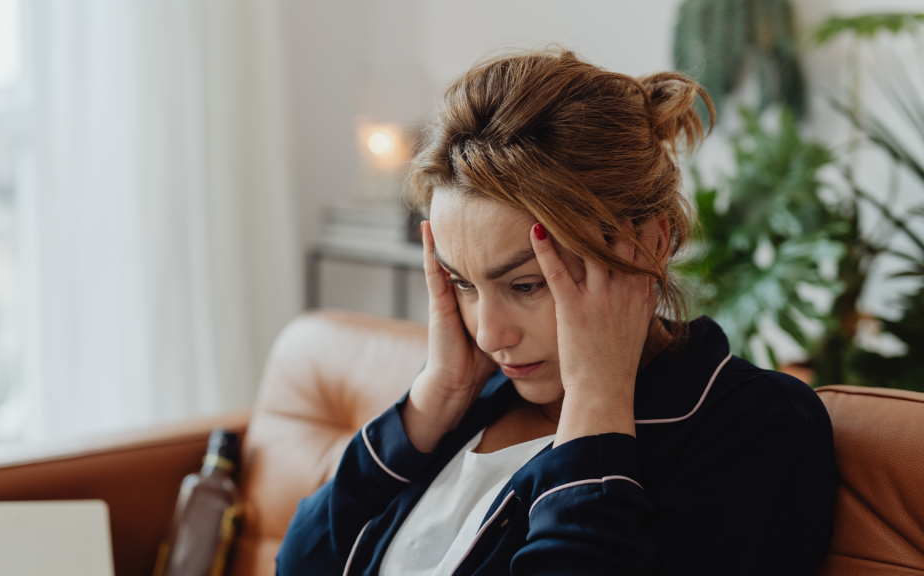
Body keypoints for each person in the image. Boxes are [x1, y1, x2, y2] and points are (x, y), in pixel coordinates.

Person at [276, 48, 837, 576]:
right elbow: (300, 563)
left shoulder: (756, 428)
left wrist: (598, 398)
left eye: (525, 283)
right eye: (462, 283)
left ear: (649, 245)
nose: (492, 335)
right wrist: (434, 398)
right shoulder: (477, 401)